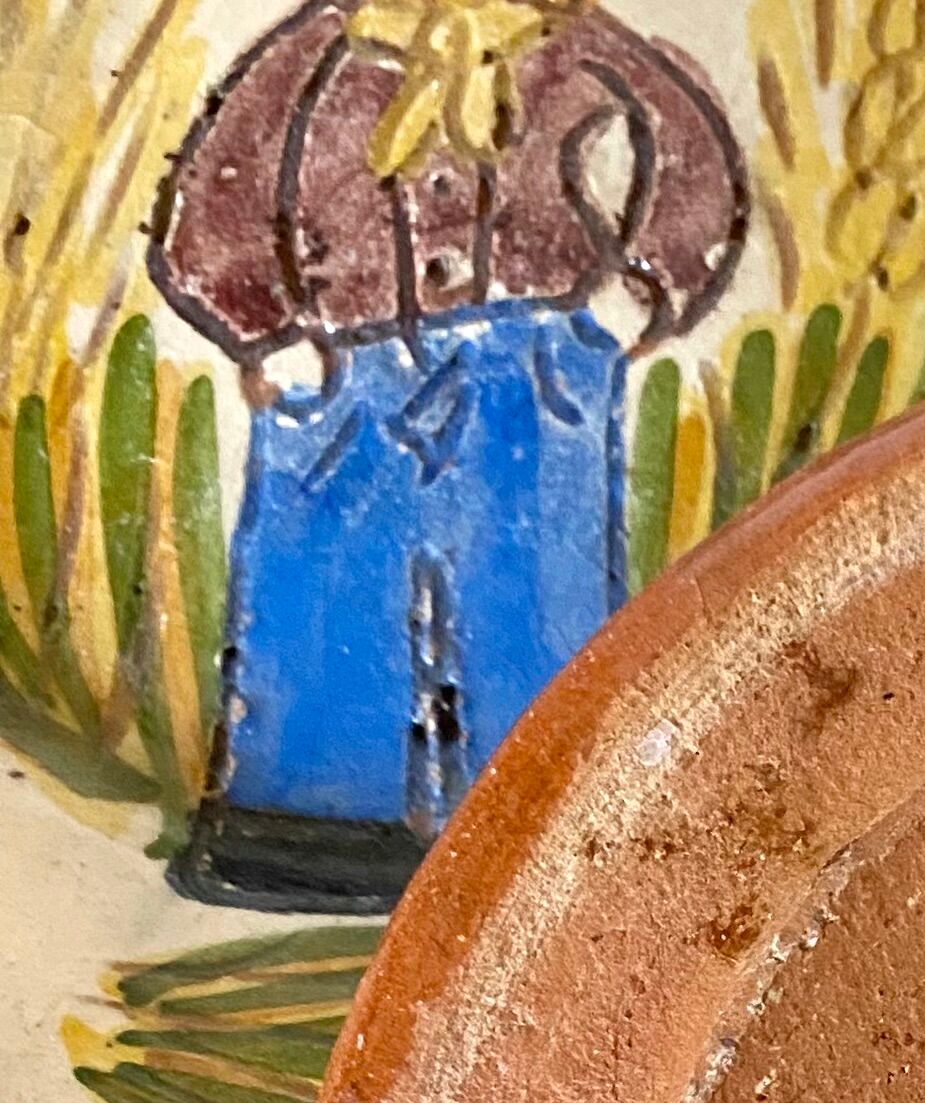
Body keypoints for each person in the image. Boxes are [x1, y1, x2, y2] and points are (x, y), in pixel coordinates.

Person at [149, 0, 748, 907]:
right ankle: (311, 838)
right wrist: (263, 335)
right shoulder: (322, 48)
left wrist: (635, 300)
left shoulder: (571, 45)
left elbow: (691, 164)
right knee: (328, 600)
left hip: (533, 367)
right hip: (346, 365)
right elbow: (223, 189)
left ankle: (546, 835)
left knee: (534, 602)